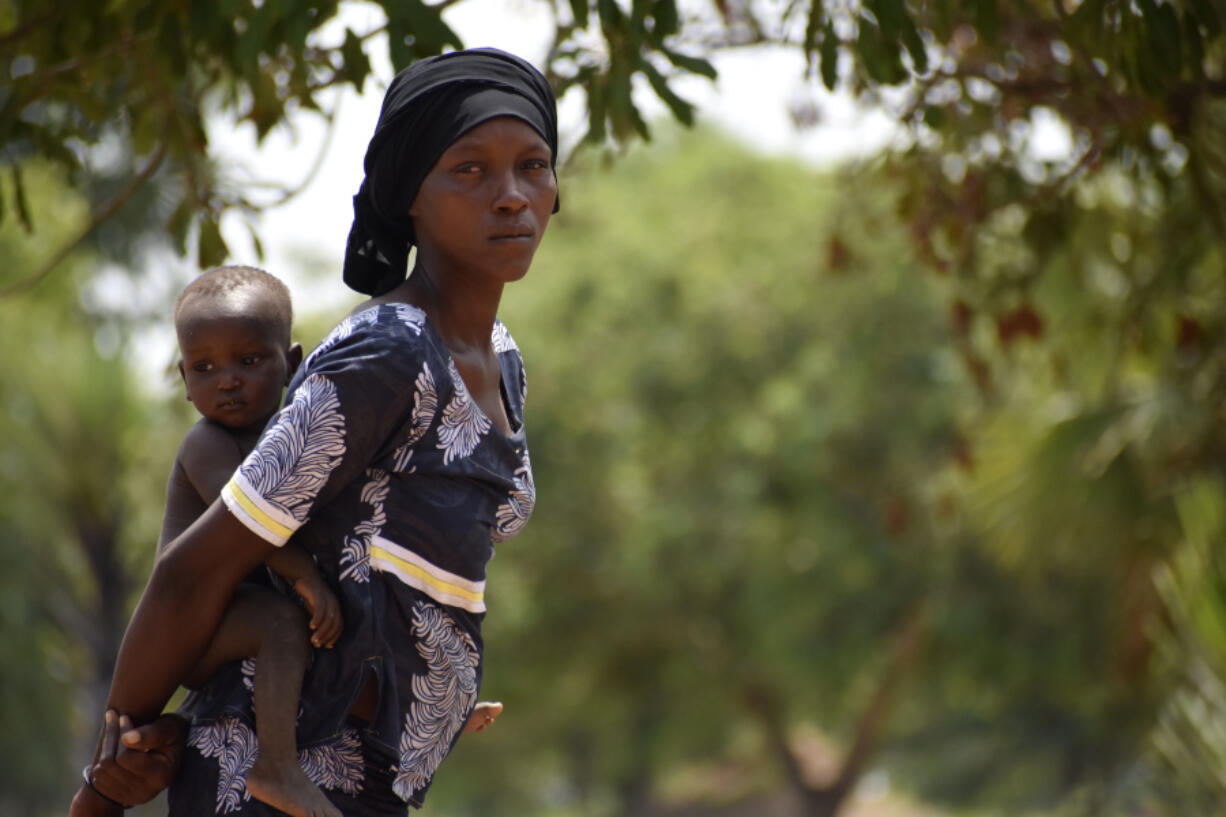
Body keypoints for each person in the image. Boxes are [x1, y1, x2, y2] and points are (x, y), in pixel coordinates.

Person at [71, 46, 557, 817]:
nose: (510, 196)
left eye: (533, 165)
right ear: (410, 197)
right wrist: (110, 769)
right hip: (282, 771)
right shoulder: (390, 350)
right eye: (470, 170)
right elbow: (196, 570)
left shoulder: (501, 357)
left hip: (376, 776)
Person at [161, 265, 342, 817]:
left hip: (243, 611)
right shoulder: (207, 444)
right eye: (205, 367)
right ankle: (276, 768)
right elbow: (246, 527)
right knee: (283, 621)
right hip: (193, 625)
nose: (228, 380)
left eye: (249, 360)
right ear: (185, 381)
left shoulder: (294, 442)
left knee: (346, 598)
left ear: (291, 363)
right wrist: (305, 575)